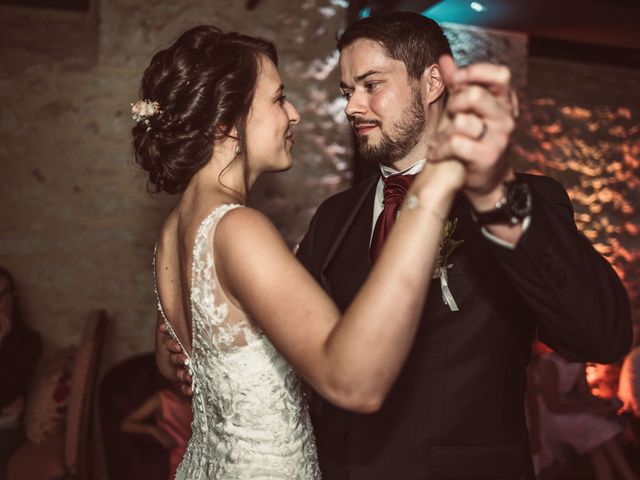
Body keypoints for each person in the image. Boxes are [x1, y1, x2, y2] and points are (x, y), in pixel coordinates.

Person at [162, 13, 632, 479]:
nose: (351, 107)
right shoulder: (334, 217)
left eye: (371, 85)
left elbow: (601, 336)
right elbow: (290, 337)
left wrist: (499, 197)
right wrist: (199, 352)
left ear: (431, 83)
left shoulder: (513, 200)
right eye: (348, 92)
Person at [137, 25, 464, 479]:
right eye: (277, 99)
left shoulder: (173, 228)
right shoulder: (238, 228)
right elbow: (352, 381)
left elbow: (168, 357)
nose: (293, 115)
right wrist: (430, 200)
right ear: (226, 122)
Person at [530, 342, 638, 479]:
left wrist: (602, 405)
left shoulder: (579, 361)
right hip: (551, 416)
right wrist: (591, 410)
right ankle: (628, 475)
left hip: (571, 408)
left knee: (599, 446)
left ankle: (613, 475)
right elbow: (553, 405)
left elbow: (583, 394)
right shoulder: (549, 363)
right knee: (604, 429)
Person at [0, 267, 42, 479]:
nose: (2, 301)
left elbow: (6, 392)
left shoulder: (29, 341)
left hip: (6, 430)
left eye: (6, 293)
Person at [120, 384, 192, 477]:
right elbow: (125, 424)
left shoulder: (201, 399)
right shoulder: (162, 399)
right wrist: (153, 430)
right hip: (180, 458)